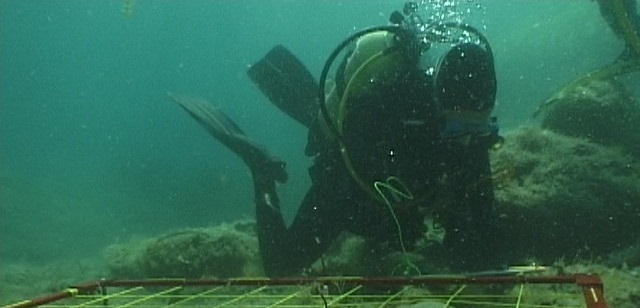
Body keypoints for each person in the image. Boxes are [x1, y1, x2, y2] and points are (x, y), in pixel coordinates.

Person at [171, 2, 503, 277]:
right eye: (459, 131)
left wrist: (485, 253)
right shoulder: (395, 104)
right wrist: (401, 221)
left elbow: (482, 217)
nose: (467, 143)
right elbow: (357, 161)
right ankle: (261, 171)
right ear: (439, 109)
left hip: (398, 179)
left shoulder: (468, 127)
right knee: (281, 267)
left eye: (479, 130)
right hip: (347, 179)